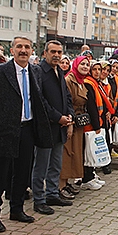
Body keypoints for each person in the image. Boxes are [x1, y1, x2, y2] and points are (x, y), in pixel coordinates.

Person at [0, 36, 53, 232]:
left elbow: (38, 99)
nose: (23, 50)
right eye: (19, 47)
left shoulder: (35, 71)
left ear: (32, 51)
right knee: (0, 174)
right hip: (4, 130)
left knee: (23, 171)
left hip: (28, 128)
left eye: (27, 47)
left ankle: (17, 209)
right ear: (11, 50)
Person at [31, 41, 75, 216]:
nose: (56, 55)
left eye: (59, 52)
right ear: (45, 53)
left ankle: (52, 193)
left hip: (61, 127)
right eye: (53, 52)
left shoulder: (60, 71)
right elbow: (40, 100)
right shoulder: (39, 72)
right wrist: (58, 117)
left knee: (56, 164)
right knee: (41, 165)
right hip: (45, 126)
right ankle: (39, 200)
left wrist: (69, 115)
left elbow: (67, 97)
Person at [59, 56, 90, 199]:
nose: (85, 67)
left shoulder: (81, 81)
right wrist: (69, 124)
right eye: (82, 64)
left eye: (87, 64)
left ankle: (66, 183)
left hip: (79, 122)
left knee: (74, 153)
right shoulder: (69, 80)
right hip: (71, 121)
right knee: (67, 153)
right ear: (75, 65)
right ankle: (60, 186)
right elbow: (67, 104)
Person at [82, 60, 114, 190]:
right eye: (94, 69)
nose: (97, 72)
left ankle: (91, 174)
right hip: (91, 124)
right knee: (89, 151)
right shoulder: (88, 83)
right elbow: (91, 106)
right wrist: (96, 126)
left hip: (99, 121)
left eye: (99, 70)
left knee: (93, 150)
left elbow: (103, 101)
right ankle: (86, 178)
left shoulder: (97, 83)